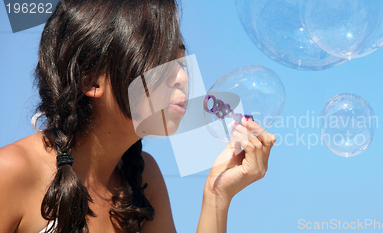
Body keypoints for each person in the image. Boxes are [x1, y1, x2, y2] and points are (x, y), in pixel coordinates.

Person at [0, 0, 276, 232]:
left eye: (180, 60)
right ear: (90, 79)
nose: (182, 76)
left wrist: (218, 195)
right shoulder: (11, 172)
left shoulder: (144, 178)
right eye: (160, 60)